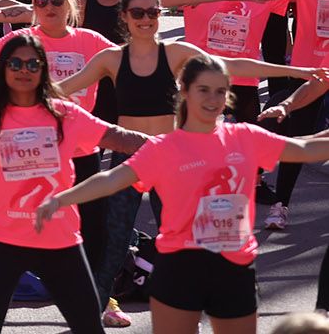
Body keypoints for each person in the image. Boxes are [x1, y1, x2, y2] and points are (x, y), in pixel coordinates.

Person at [37, 55, 329, 334]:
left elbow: (304, 149)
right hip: (179, 268)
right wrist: (61, 199)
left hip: (235, 268)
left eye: (219, 91)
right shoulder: (163, 148)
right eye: (203, 90)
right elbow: (112, 179)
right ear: (184, 91)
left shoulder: (246, 138)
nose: (212, 99)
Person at [0, 34, 151, 334]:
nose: (23, 69)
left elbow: (121, 138)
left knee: (88, 326)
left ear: (43, 69)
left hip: (60, 238)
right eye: (14, 62)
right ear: (2, 68)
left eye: (32, 63)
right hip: (1, 239)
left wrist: (179, 147)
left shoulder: (64, 113)